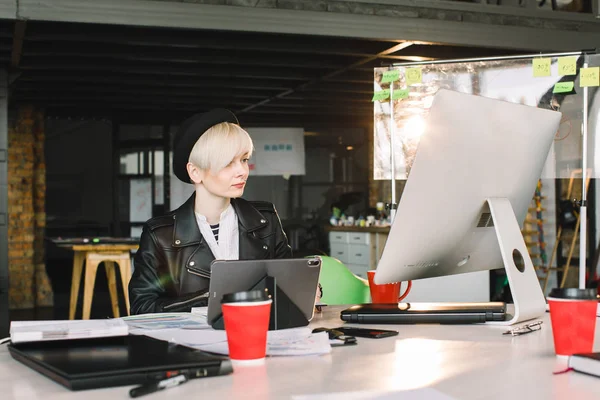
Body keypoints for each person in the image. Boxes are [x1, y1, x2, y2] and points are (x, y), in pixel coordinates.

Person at [129, 109, 292, 314]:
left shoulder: (265, 220)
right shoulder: (160, 234)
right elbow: (141, 307)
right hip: (188, 344)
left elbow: (288, 286)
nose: (242, 171)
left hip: (256, 337)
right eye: (228, 163)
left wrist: (310, 289)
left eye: (243, 159)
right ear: (195, 172)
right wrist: (211, 297)